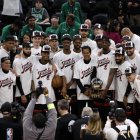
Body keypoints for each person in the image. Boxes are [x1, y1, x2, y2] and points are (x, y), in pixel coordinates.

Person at [73, 45, 97, 116]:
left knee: (92, 114)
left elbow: (94, 76)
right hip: (81, 93)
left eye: (87, 53)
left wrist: (91, 89)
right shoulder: (78, 64)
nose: (86, 54)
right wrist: (84, 90)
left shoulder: (94, 62)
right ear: (82, 53)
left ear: (90, 53)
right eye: (84, 53)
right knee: (81, 114)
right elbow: (77, 79)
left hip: (91, 92)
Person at [13, 42, 34, 108]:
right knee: (21, 114)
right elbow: (17, 79)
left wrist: (53, 64)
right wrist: (22, 94)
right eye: (26, 49)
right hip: (21, 94)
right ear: (22, 49)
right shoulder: (17, 61)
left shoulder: (30, 58)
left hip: (28, 91)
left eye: (29, 49)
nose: (28, 51)